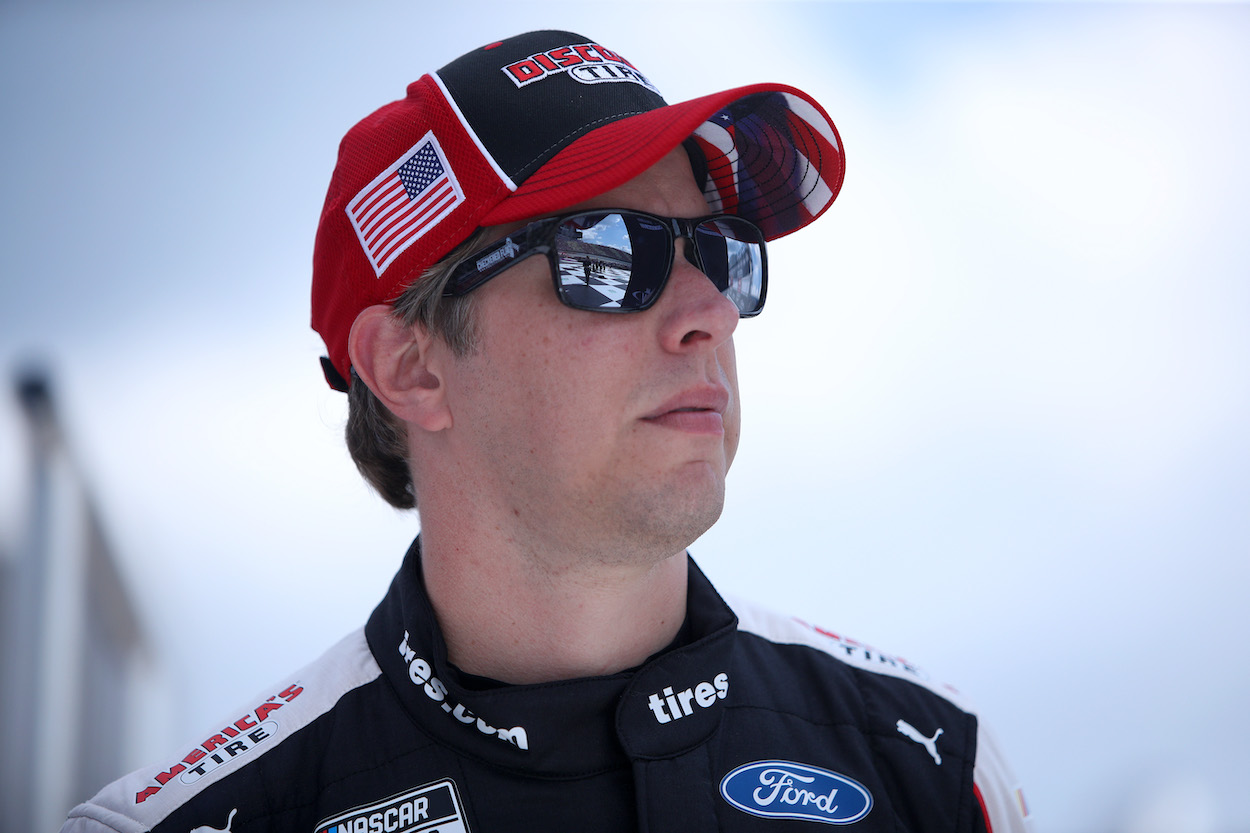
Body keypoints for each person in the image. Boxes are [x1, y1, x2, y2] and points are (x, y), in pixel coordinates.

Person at [63, 30, 1033, 833]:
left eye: (720, 251)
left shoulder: (929, 759)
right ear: (411, 365)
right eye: (608, 250)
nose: (709, 310)